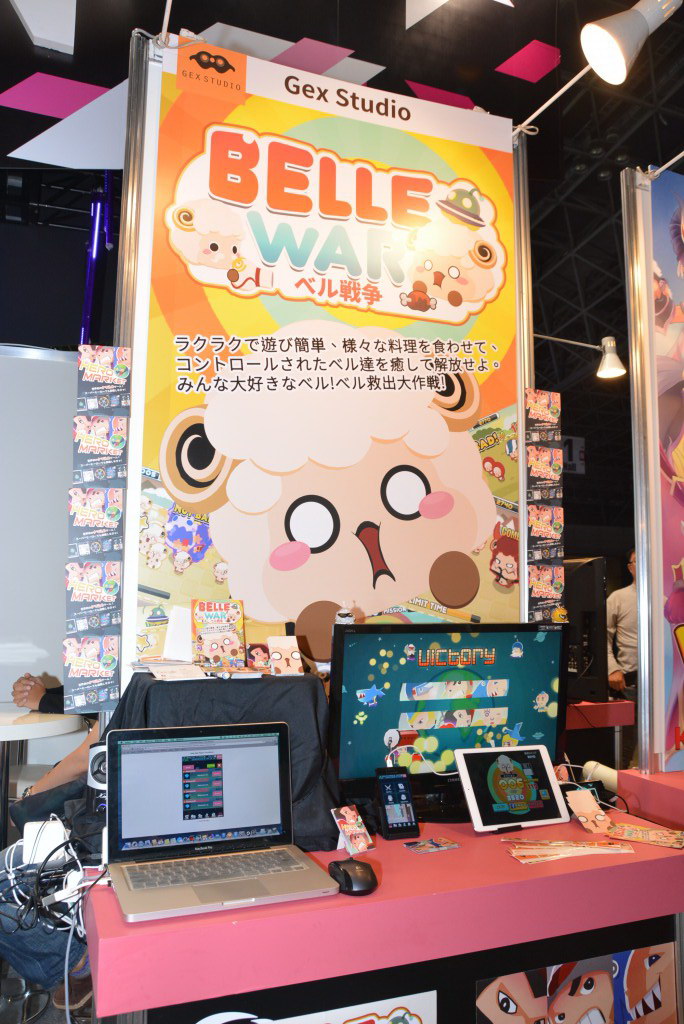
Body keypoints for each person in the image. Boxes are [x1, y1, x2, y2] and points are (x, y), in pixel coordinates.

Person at [0, 723, 100, 1008]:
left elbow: (86, 757)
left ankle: (74, 960)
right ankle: (69, 959)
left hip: (91, 834)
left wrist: (32, 796)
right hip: (89, 822)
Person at [607, 548, 638, 768]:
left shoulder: (670, 598)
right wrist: (612, 668)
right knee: (625, 749)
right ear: (630, 568)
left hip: (669, 686)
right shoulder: (618, 598)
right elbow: (601, 636)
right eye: (637, 561)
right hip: (630, 683)